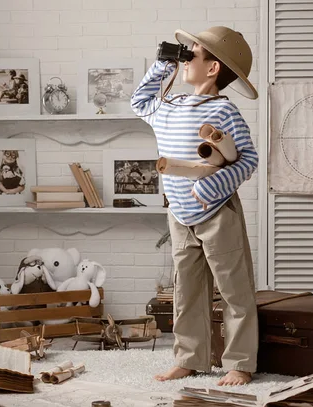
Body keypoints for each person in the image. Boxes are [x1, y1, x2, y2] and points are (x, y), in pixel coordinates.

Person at [131, 26, 259, 386]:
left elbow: (247, 159)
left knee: (234, 289)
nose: (186, 56)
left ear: (213, 68)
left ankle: (240, 362)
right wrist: (163, 65)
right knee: (186, 289)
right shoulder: (168, 106)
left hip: (217, 212)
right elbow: (139, 101)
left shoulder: (223, 111)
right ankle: (191, 358)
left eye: (194, 52)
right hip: (179, 212)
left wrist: (211, 186)